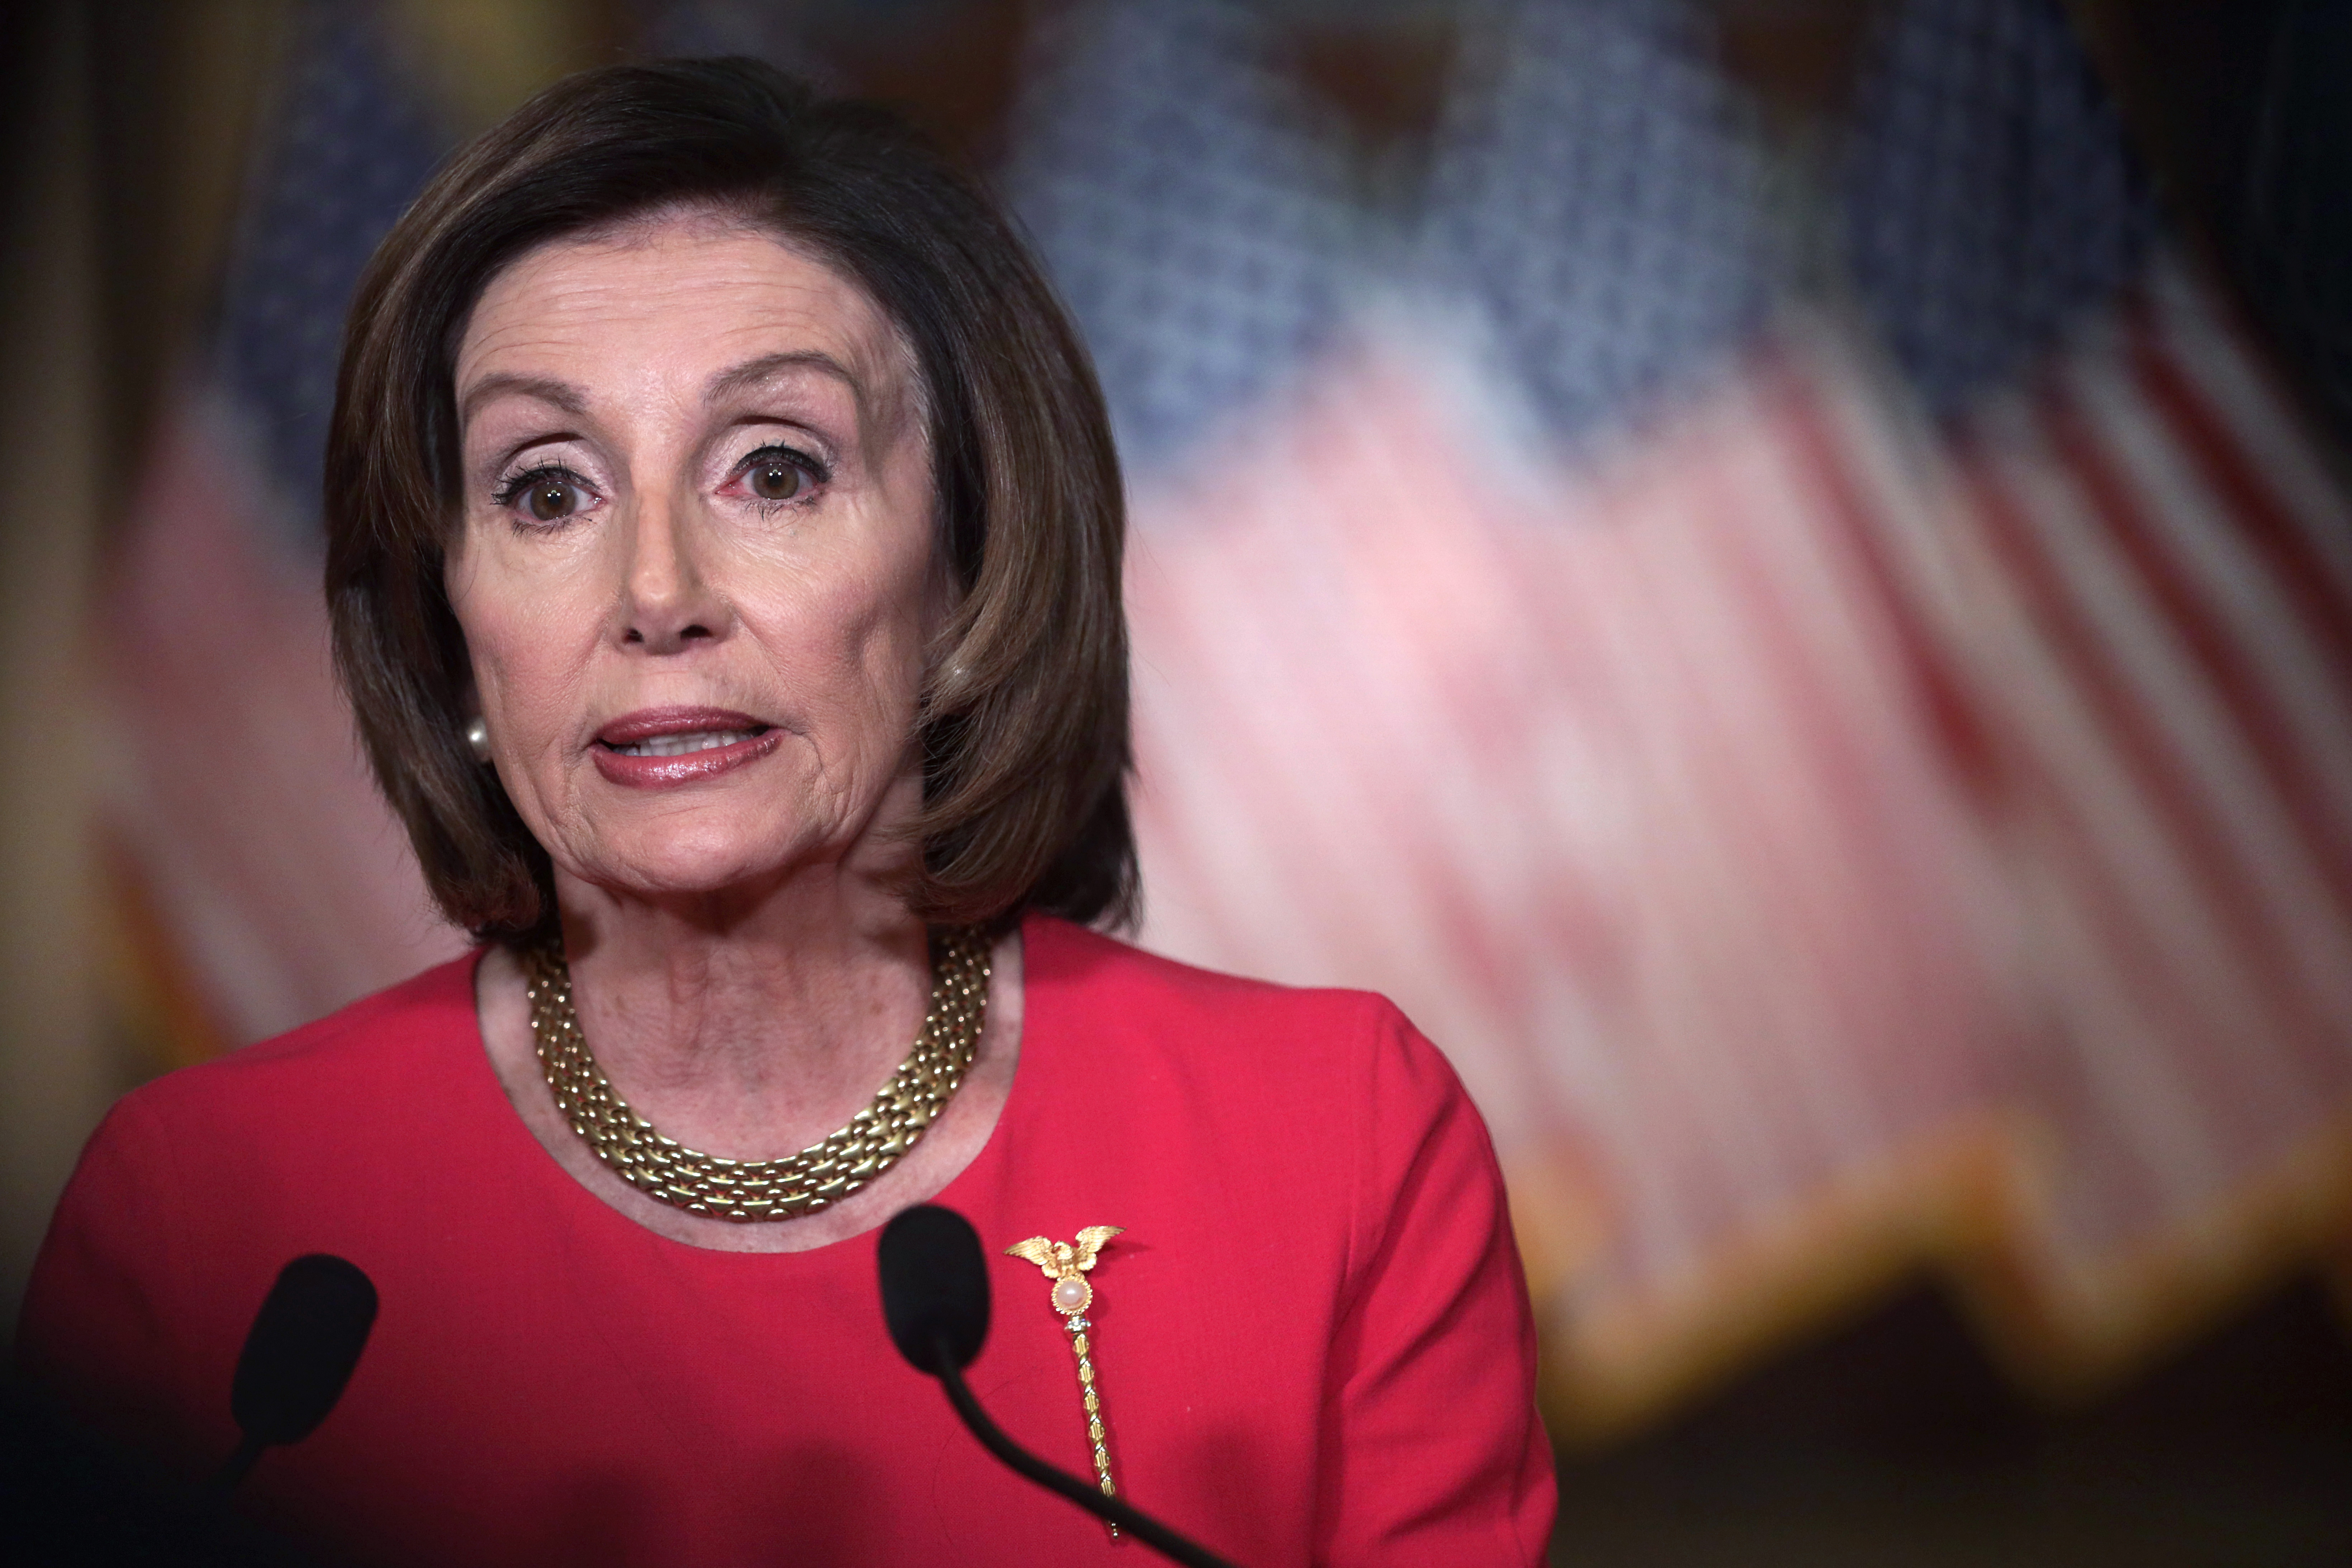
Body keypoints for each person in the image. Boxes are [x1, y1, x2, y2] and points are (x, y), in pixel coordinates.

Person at [16, 58, 1554, 1566]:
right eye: (547, 491)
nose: (657, 593)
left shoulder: (1339, 1148)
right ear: (450, 616)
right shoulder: (208, 1225)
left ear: (969, 567)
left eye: (773, 470)